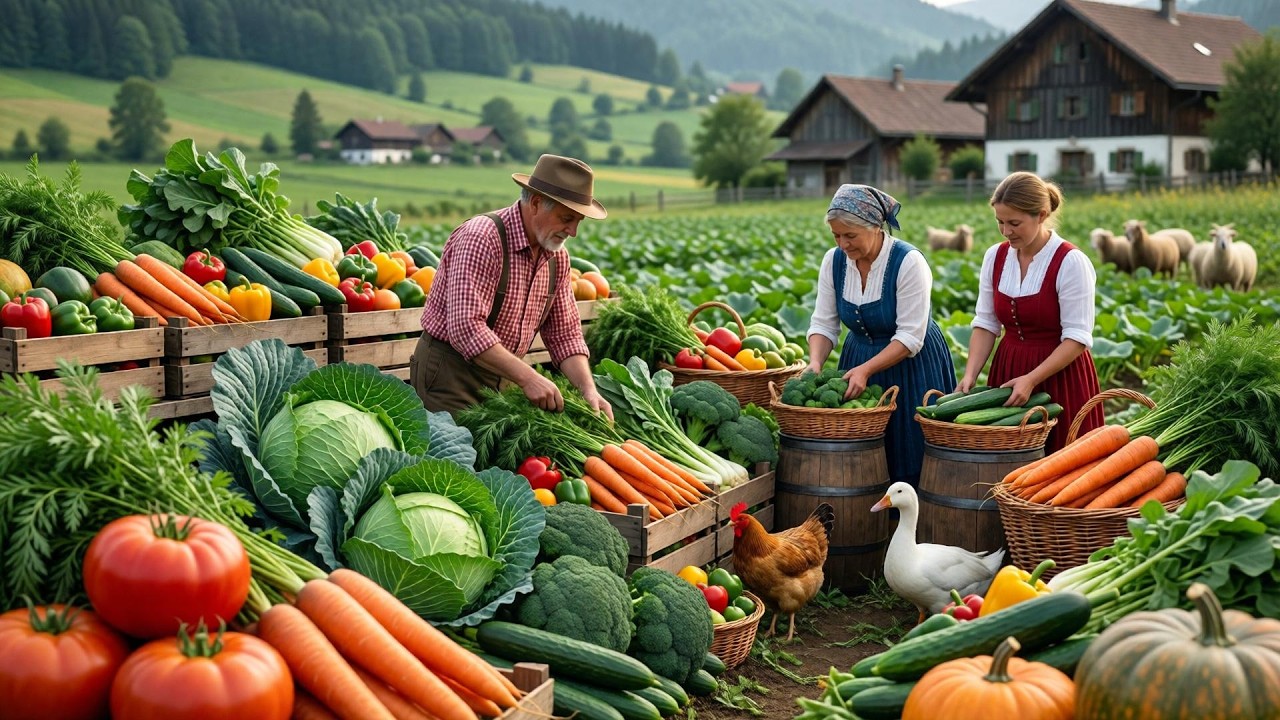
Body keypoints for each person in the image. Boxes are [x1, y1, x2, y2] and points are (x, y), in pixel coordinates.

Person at [411, 153, 613, 420]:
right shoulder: (483, 238)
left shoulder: (556, 257)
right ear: (537, 203)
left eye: (578, 221)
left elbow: (565, 335)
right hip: (450, 376)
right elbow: (465, 328)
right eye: (567, 219)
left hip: (505, 379)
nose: (573, 231)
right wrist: (529, 378)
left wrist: (588, 390)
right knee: (454, 457)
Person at [807, 184, 956, 487]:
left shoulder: (908, 262)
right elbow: (823, 323)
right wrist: (814, 364)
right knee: (865, 459)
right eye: (836, 235)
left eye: (851, 236)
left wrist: (866, 370)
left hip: (912, 366)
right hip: (858, 357)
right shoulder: (833, 262)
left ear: (875, 227)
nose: (843, 244)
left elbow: (911, 337)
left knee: (911, 452)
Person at [958, 171, 1102, 452]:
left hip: (1060, 376)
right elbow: (986, 322)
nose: (1006, 231)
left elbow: (1077, 337)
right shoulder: (995, 256)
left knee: (1063, 463)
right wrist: (970, 374)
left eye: (1014, 223)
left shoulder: (1071, 262)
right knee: (1009, 463)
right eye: (1000, 222)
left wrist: (1032, 379)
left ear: (1041, 215)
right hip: (1008, 370)